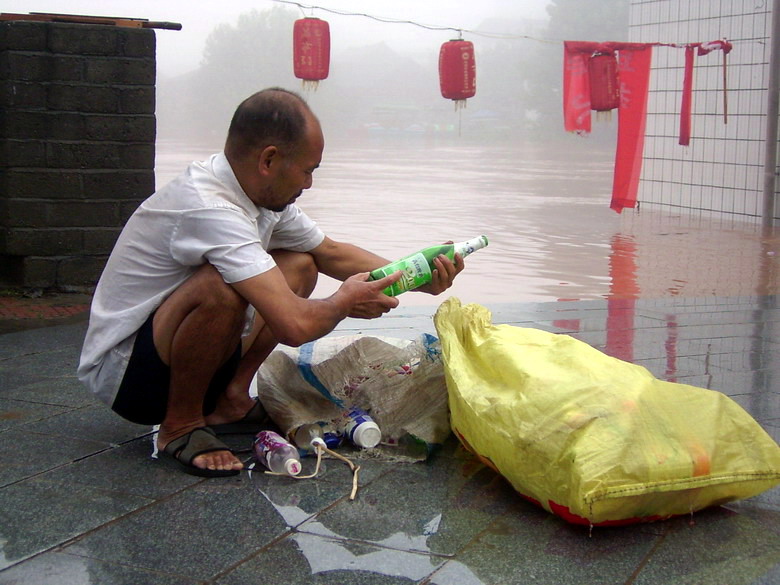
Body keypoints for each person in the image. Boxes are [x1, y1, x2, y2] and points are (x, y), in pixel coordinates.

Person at [77, 87, 464, 478]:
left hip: (174, 353)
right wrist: (343, 302)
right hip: (128, 374)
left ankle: (230, 399)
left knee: (300, 265)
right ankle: (180, 424)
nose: (309, 184)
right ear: (269, 160)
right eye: (308, 169)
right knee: (222, 288)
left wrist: (416, 277)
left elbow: (331, 252)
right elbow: (293, 325)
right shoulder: (209, 206)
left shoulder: (260, 198)